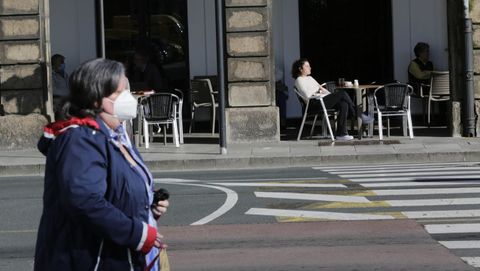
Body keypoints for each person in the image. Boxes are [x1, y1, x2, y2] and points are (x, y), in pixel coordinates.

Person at [34, 58, 169, 271]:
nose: (127, 97)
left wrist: (147, 209)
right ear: (95, 99)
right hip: (90, 260)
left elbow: (116, 191)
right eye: (117, 92)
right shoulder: (80, 139)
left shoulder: (114, 135)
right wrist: (137, 233)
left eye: (127, 89)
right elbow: (84, 200)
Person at [291, 58, 373, 141]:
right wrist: (318, 90)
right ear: (300, 69)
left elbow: (323, 89)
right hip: (313, 104)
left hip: (321, 100)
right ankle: (357, 114)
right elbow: (307, 94)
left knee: (343, 104)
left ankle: (341, 134)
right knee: (342, 93)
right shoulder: (299, 80)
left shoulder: (310, 78)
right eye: (307, 66)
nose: (310, 67)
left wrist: (322, 91)